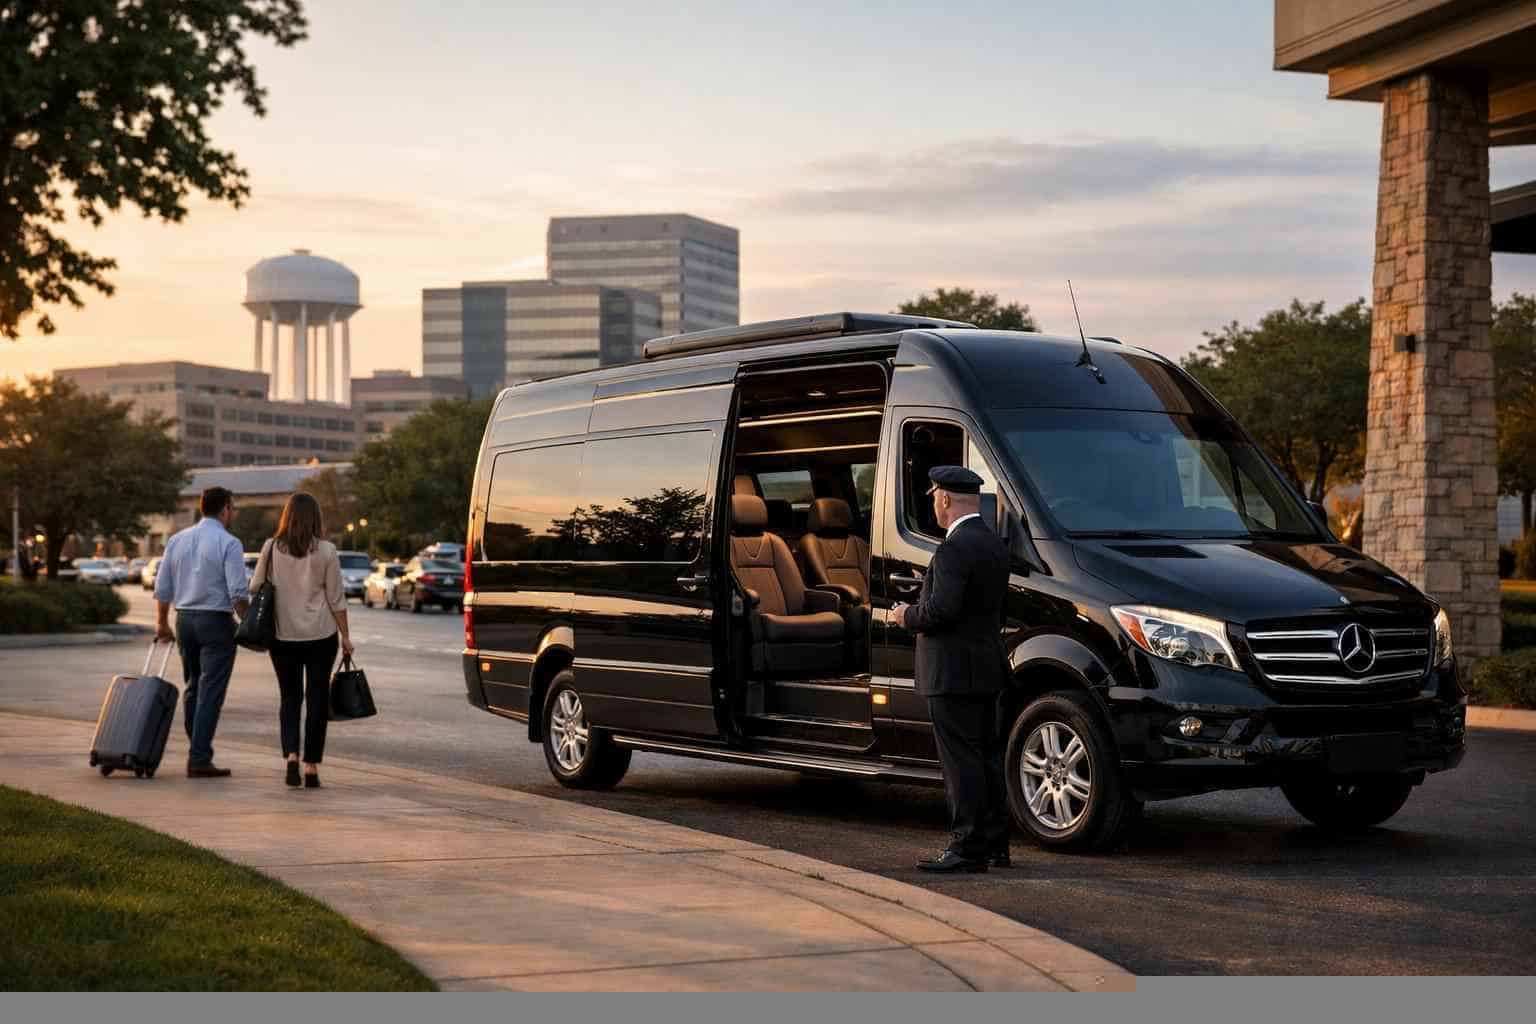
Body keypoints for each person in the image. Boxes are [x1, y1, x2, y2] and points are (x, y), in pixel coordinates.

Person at [891, 466, 1012, 873]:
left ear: (943, 499)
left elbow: (941, 611)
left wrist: (906, 615)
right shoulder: (993, 544)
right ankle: (994, 845)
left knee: (960, 763)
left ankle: (966, 848)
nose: (934, 505)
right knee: (986, 758)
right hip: (986, 668)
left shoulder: (952, 549)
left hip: (951, 672)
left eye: (934, 498)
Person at [249, 491, 353, 789]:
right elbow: (336, 599)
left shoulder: (271, 548)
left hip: (282, 635)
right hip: (321, 635)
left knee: (289, 697)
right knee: (317, 700)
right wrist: (346, 637)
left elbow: (255, 586)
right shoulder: (327, 551)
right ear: (315, 518)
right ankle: (311, 767)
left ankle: (291, 757)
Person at [154, 486, 249, 778]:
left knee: (193, 686)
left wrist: (162, 623)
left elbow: (163, 587)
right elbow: (237, 592)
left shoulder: (177, 540)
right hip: (216, 622)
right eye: (232, 508)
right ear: (225, 509)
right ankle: (199, 758)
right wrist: (248, 624)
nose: (233, 513)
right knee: (210, 692)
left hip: (184, 620)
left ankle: (196, 750)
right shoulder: (229, 543)